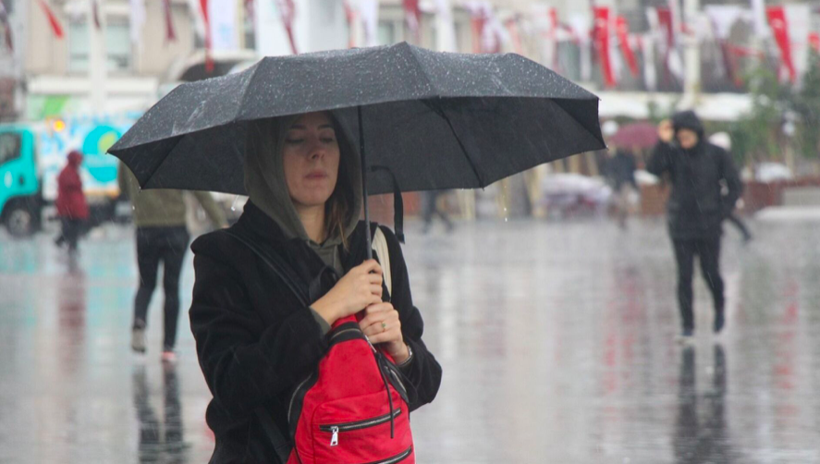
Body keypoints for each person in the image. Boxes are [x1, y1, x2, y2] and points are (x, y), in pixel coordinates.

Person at [188, 112, 442, 462]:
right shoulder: (226, 256)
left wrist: (401, 350)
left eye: (327, 138)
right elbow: (232, 386)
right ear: (267, 156)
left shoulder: (376, 246)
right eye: (295, 139)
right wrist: (327, 310)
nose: (316, 152)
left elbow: (423, 386)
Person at [647, 111, 742, 339]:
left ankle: (719, 306)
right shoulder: (673, 153)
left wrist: (722, 211)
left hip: (709, 224)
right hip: (680, 225)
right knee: (684, 277)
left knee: (710, 272)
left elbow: (735, 184)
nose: (685, 141)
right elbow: (653, 169)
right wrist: (662, 141)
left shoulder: (716, 154)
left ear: (698, 133)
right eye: (681, 137)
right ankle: (687, 326)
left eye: (688, 136)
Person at [119, 166, 228, 361]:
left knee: (146, 284)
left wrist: (142, 200)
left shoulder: (133, 151)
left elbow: (123, 187)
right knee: (171, 287)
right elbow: (199, 190)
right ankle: (168, 347)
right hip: (174, 229)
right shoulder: (173, 151)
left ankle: (139, 320)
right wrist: (219, 221)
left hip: (146, 229)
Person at [708, 132, 752, 243]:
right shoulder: (719, 160)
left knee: (725, 215)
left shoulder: (725, 161)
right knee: (725, 216)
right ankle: (743, 233)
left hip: (724, 196)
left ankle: (744, 233)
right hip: (720, 196)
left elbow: (733, 182)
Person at [55, 150, 89, 256]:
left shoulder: (70, 171)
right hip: (71, 207)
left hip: (71, 207)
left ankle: (70, 245)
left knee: (71, 228)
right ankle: (69, 246)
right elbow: (71, 190)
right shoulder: (69, 172)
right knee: (71, 228)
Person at [606, 146, 639, 229]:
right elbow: (631, 171)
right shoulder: (626, 158)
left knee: (623, 203)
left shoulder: (622, 158)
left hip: (622, 183)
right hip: (623, 183)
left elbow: (612, 171)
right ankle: (622, 219)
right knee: (623, 204)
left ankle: (622, 219)